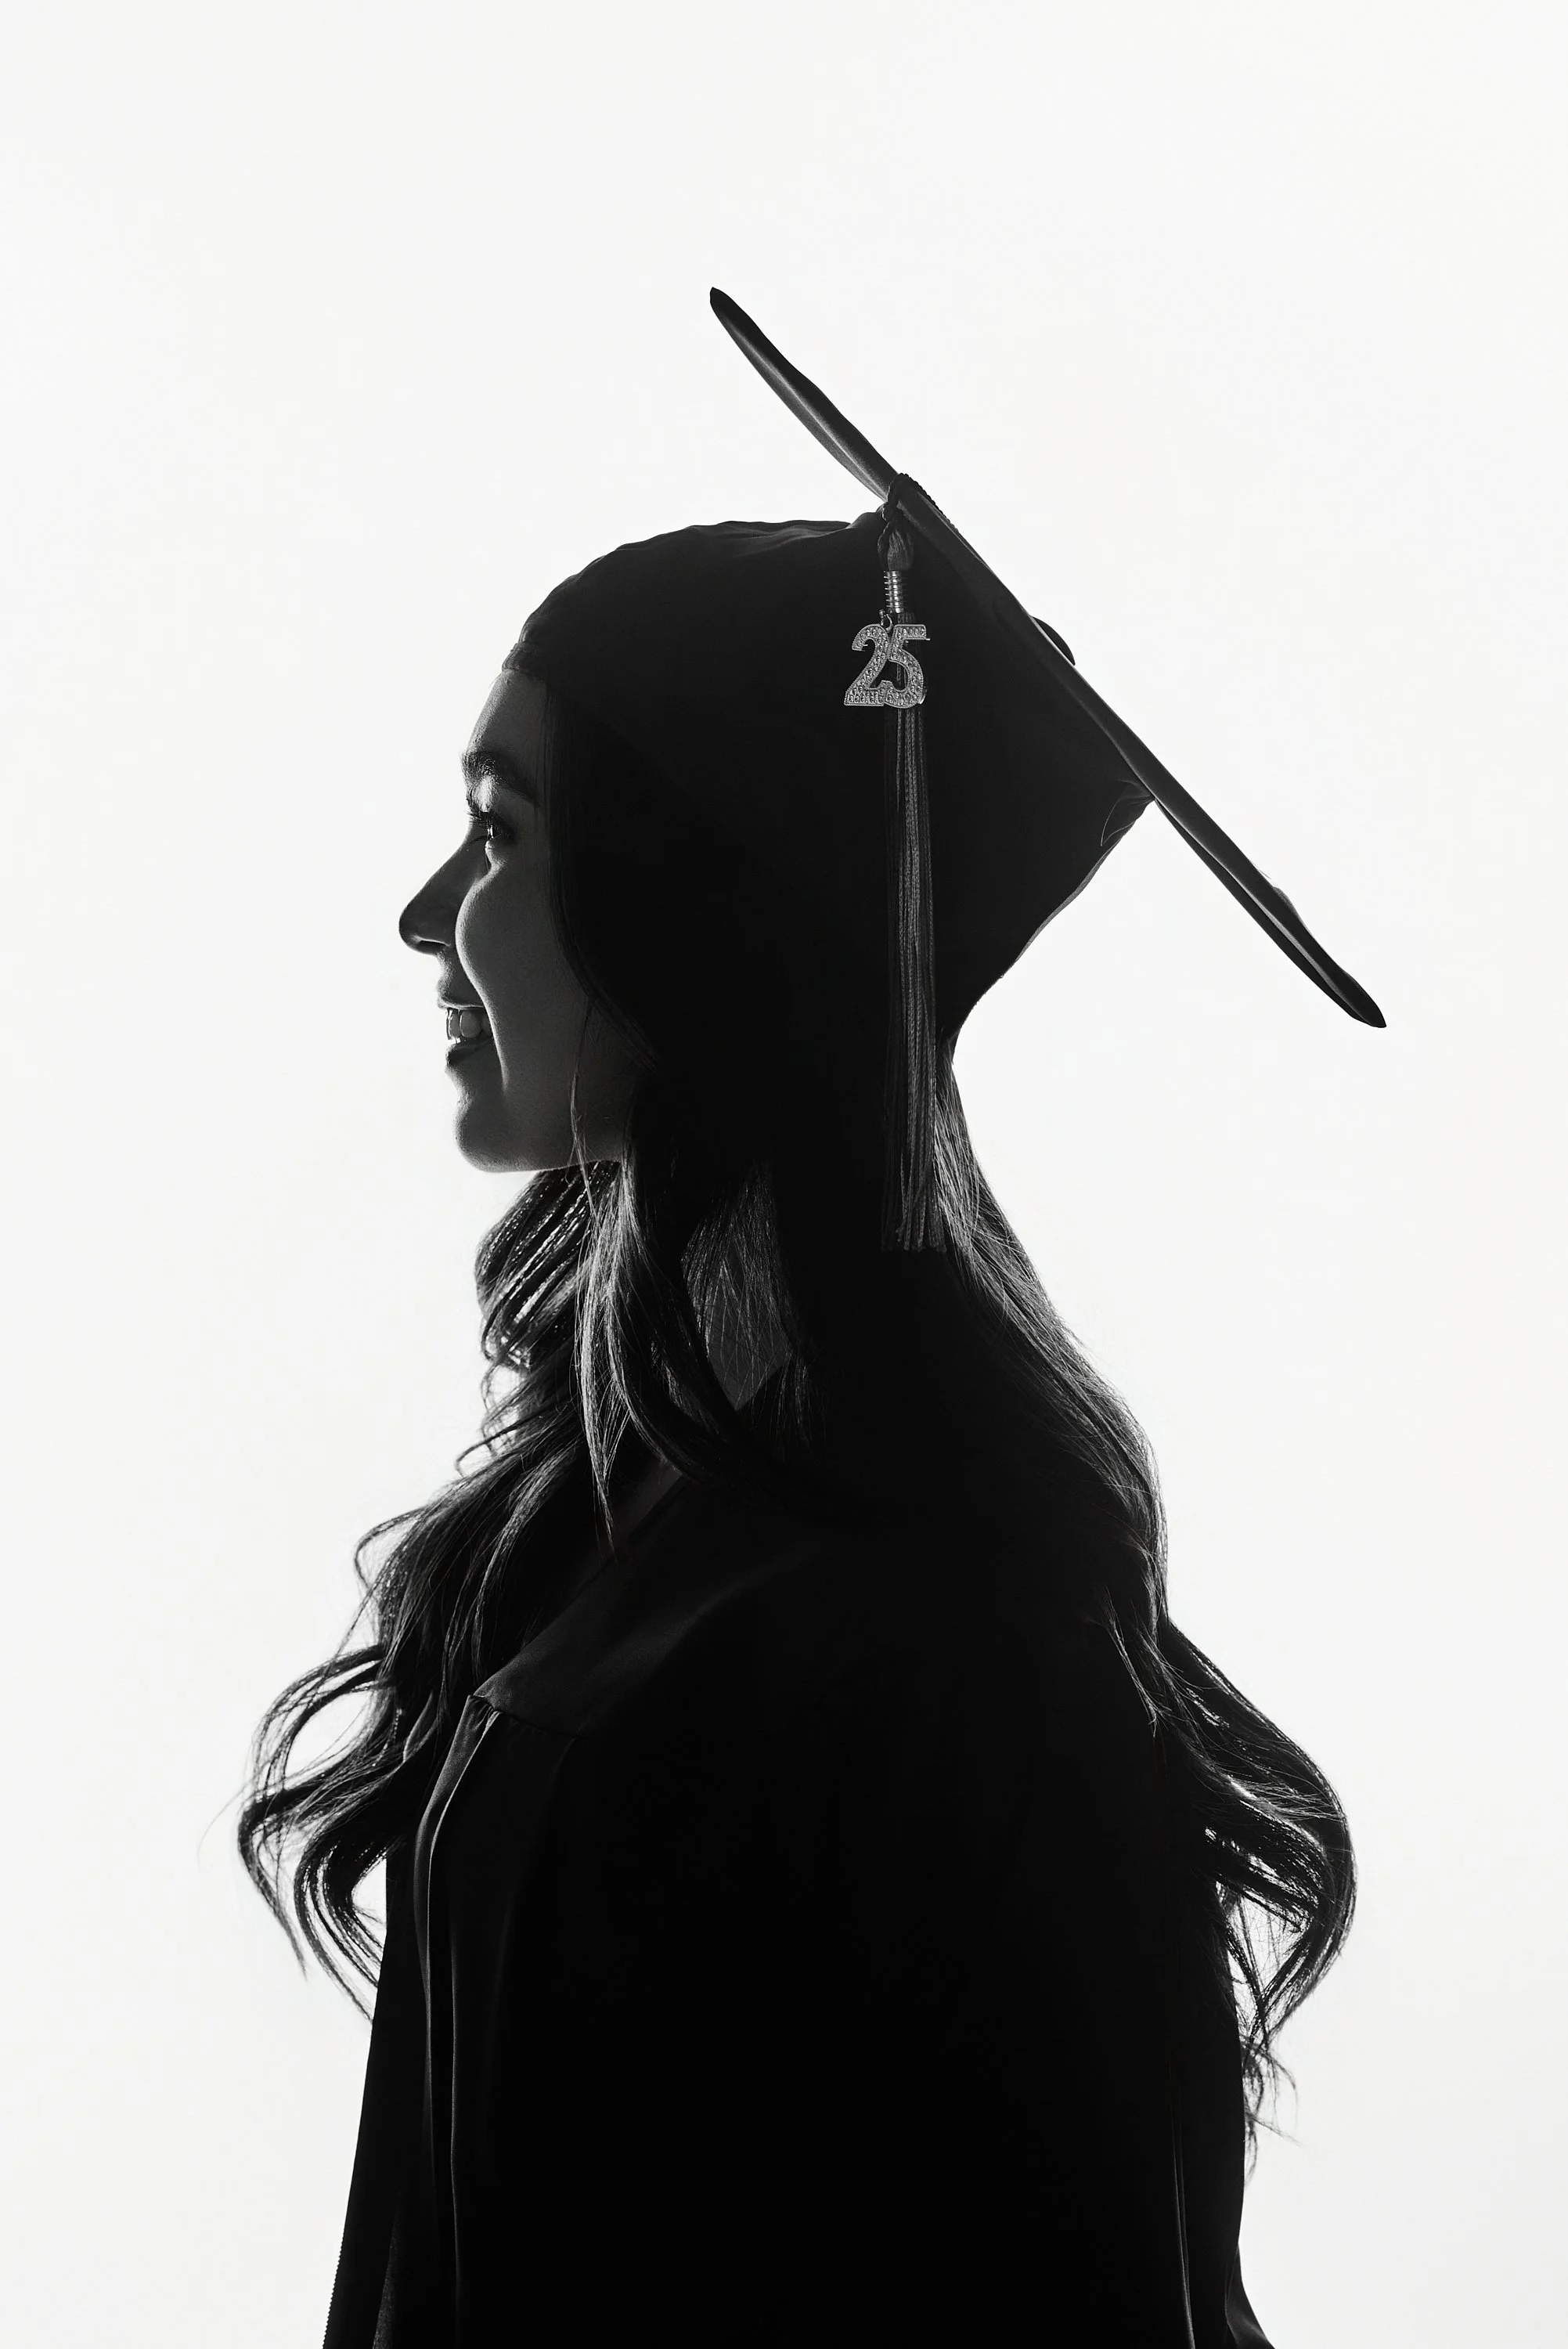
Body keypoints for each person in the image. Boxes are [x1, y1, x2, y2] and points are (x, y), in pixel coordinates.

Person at [240, 298, 1372, 2346]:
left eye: (501, 832)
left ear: (691, 910)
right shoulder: (599, 1532)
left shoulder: (940, 1642)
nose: (430, 915)